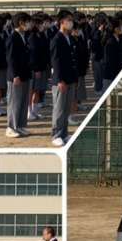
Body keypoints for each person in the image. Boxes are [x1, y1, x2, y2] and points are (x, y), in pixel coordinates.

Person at [50, 10, 78, 147]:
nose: (71, 22)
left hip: (70, 78)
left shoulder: (70, 38)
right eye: (68, 20)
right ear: (62, 22)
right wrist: (60, 80)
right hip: (61, 80)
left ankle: (64, 133)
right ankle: (56, 134)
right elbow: (56, 61)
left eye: (72, 20)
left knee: (66, 109)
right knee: (59, 109)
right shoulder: (57, 39)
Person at [5, 12, 32, 138]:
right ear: (21, 23)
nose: (29, 24)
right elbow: (11, 59)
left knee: (23, 102)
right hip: (16, 76)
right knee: (14, 102)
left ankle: (20, 125)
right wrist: (15, 75)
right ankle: (11, 127)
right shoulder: (13, 38)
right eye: (27, 22)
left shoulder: (24, 36)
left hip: (25, 74)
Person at [27, 14, 49, 121]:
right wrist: (36, 69)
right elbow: (33, 54)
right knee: (31, 90)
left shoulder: (41, 35)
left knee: (37, 90)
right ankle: (29, 111)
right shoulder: (32, 37)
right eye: (40, 24)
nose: (43, 25)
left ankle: (35, 111)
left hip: (42, 66)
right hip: (34, 68)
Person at [102, 17, 122, 91]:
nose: (121, 28)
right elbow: (110, 60)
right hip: (111, 73)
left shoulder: (119, 38)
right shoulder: (111, 41)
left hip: (116, 71)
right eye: (120, 27)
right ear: (115, 29)